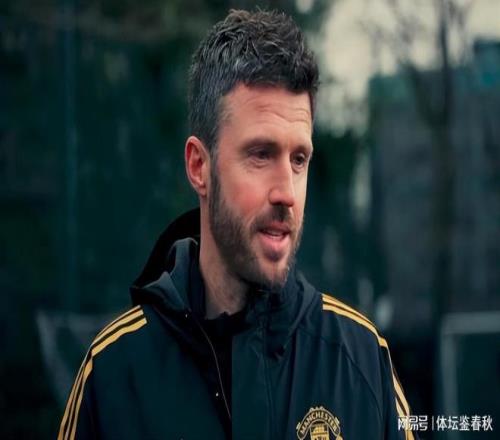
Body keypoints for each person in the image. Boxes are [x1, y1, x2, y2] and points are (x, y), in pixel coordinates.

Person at [58, 9, 416, 440]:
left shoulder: (361, 362)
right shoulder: (113, 374)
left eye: (298, 159)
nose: (286, 192)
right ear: (199, 166)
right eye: (261, 154)